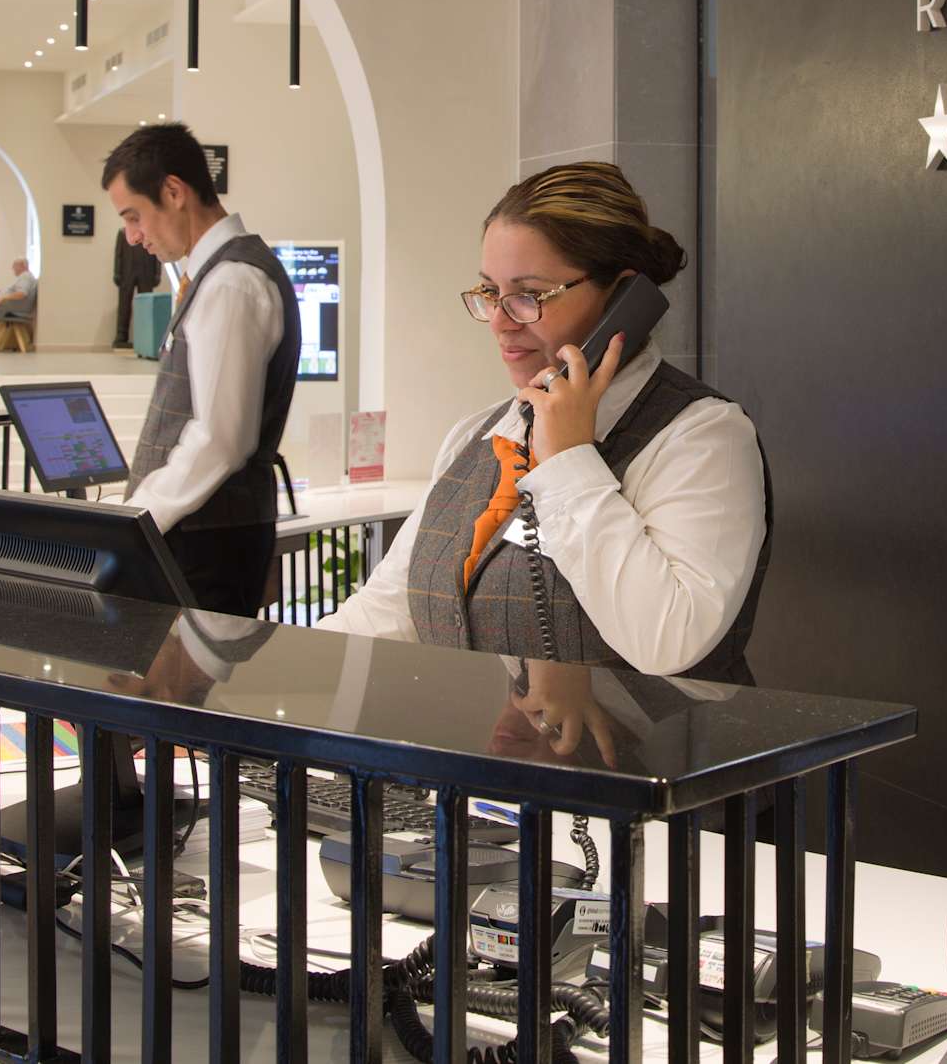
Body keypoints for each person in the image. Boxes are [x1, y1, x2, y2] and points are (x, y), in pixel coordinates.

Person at [322, 161, 771, 691]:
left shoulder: (704, 436)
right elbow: (388, 609)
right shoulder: (479, 434)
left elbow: (667, 642)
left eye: (529, 295)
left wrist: (568, 461)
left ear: (623, 297)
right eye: (489, 292)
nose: (499, 321)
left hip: (655, 747)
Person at [102, 123, 300, 616]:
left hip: (205, 543)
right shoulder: (217, 276)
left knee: (187, 670)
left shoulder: (231, 282)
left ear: (174, 192)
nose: (132, 236)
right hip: (200, 535)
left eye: (134, 216)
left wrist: (137, 519)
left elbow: (220, 440)